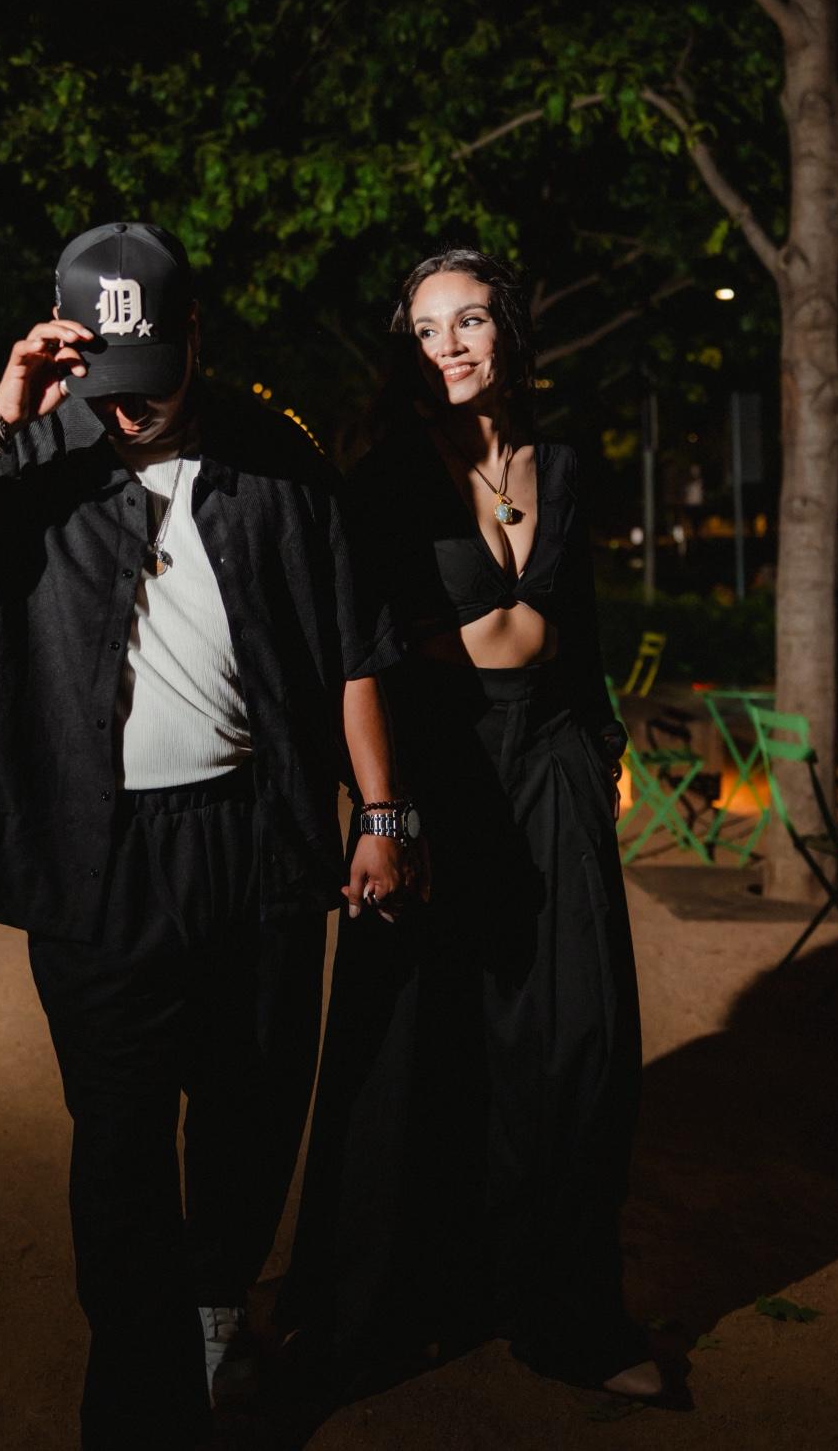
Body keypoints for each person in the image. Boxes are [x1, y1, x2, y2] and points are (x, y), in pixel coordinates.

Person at [0, 221, 419, 1448]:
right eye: (103, 380)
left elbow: (350, 647)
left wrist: (379, 810)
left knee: (252, 1106)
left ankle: (215, 1309)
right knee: (119, 1140)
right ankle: (136, 1398)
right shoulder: (28, 450)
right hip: (96, 858)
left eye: (149, 377)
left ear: (193, 337)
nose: (126, 407)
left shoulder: (274, 454)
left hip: (256, 839)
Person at [279, 247, 664, 1402]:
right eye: (425, 327)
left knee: (579, 1038)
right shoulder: (384, 477)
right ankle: (370, 1315)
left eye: (470, 320)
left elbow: (578, 626)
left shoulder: (565, 463)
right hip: (437, 764)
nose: (447, 344)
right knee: (412, 1041)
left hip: (550, 757)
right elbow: (351, 653)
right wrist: (380, 808)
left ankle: (568, 1314)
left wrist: (597, 752)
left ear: (509, 330)